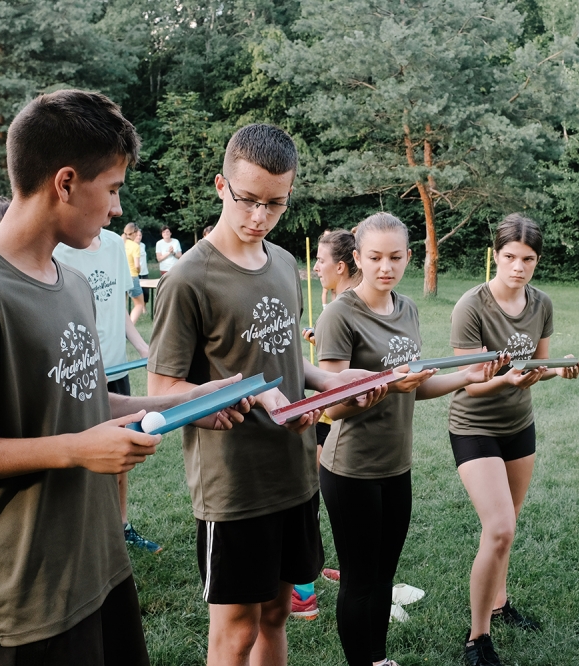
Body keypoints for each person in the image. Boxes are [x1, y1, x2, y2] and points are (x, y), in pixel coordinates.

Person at [0, 89, 254, 664]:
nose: (116, 210)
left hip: (101, 564)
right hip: (31, 598)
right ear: (65, 182)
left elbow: (75, 404)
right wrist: (73, 450)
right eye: (111, 189)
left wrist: (183, 403)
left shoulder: (72, 281)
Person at [146, 123, 387, 666]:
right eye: (247, 200)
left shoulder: (282, 263)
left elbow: (280, 356)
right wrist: (254, 398)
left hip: (295, 473)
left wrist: (327, 381)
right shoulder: (188, 279)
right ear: (220, 186)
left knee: (277, 615)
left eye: (274, 204)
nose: (259, 217)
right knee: (236, 632)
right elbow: (162, 391)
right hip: (234, 486)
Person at [316, 212, 503, 666]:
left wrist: (465, 375)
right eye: (375, 257)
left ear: (409, 257)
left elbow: (415, 385)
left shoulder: (408, 309)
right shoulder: (340, 315)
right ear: (356, 257)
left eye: (396, 257)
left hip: (396, 466)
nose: (386, 267)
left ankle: (377, 660)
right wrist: (382, 387)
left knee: (383, 575)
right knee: (360, 579)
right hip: (351, 468)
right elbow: (330, 405)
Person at [448, 213, 579, 666]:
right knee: (499, 527)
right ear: (496, 255)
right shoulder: (472, 305)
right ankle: (477, 637)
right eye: (509, 257)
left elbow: (537, 367)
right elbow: (467, 383)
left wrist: (559, 368)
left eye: (527, 259)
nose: (518, 267)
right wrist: (508, 380)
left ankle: (500, 602)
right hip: (474, 425)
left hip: (518, 426)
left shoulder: (541, 304)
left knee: (510, 524)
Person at [53, 228, 162, 554]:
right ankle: (82, 534)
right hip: (78, 373)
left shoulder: (116, 244)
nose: (114, 207)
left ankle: (120, 526)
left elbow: (118, 308)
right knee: (83, 456)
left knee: (122, 450)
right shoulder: (59, 248)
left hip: (115, 368)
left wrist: (143, 347)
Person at [291, 228, 362, 620]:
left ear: (340, 265)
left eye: (320, 261)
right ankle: (340, 573)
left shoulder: (343, 307)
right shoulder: (347, 303)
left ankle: (302, 594)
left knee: (312, 501)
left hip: (333, 417)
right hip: (334, 415)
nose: (314, 267)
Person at [122, 222, 146, 322]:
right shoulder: (135, 246)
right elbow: (137, 265)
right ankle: (130, 328)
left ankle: (120, 327)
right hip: (132, 277)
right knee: (139, 304)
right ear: (135, 233)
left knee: (122, 306)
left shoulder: (120, 243)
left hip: (120, 277)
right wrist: (139, 270)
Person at [136, 227, 151, 302]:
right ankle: (141, 306)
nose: (139, 237)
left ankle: (144, 305)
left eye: (140, 235)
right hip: (136, 272)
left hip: (144, 271)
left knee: (146, 292)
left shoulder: (143, 245)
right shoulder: (131, 246)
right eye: (137, 235)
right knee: (139, 292)